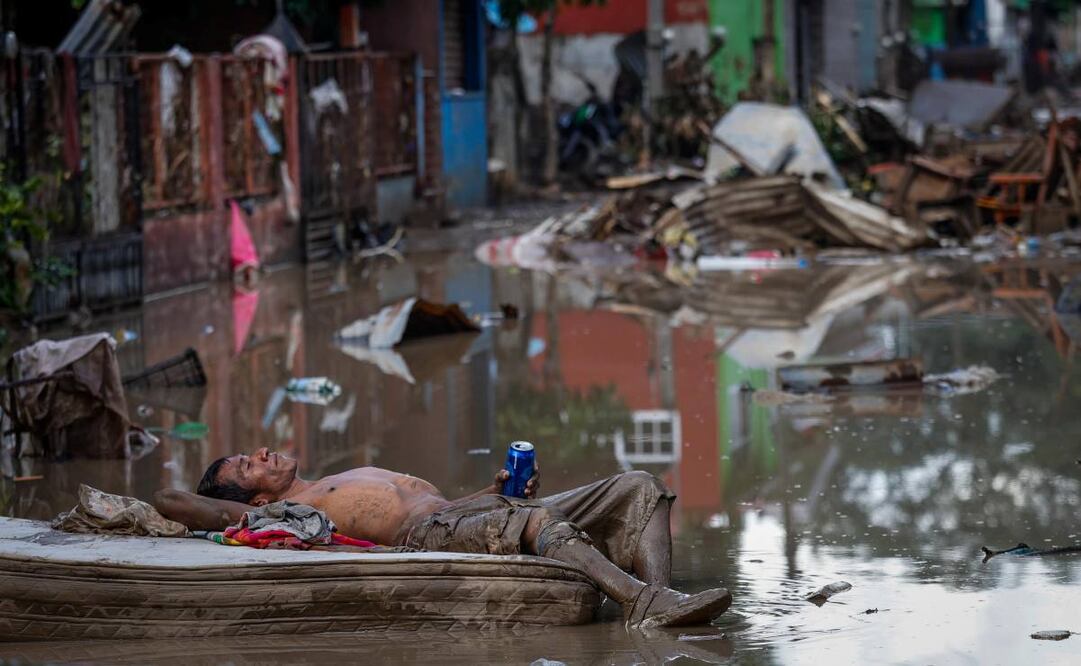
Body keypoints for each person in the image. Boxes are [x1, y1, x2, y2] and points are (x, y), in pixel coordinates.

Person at [154, 447, 732, 628]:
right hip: (424, 538)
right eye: (249, 467)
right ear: (255, 501)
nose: (261, 453)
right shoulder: (290, 511)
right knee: (532, 522)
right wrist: (229, 504)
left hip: (468, 512)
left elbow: (450, 509)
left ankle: (658, 599)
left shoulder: (335, 477)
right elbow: (170, 501)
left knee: (640, 485)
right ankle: (642, 601)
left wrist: (493, 489)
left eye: (251, 454)